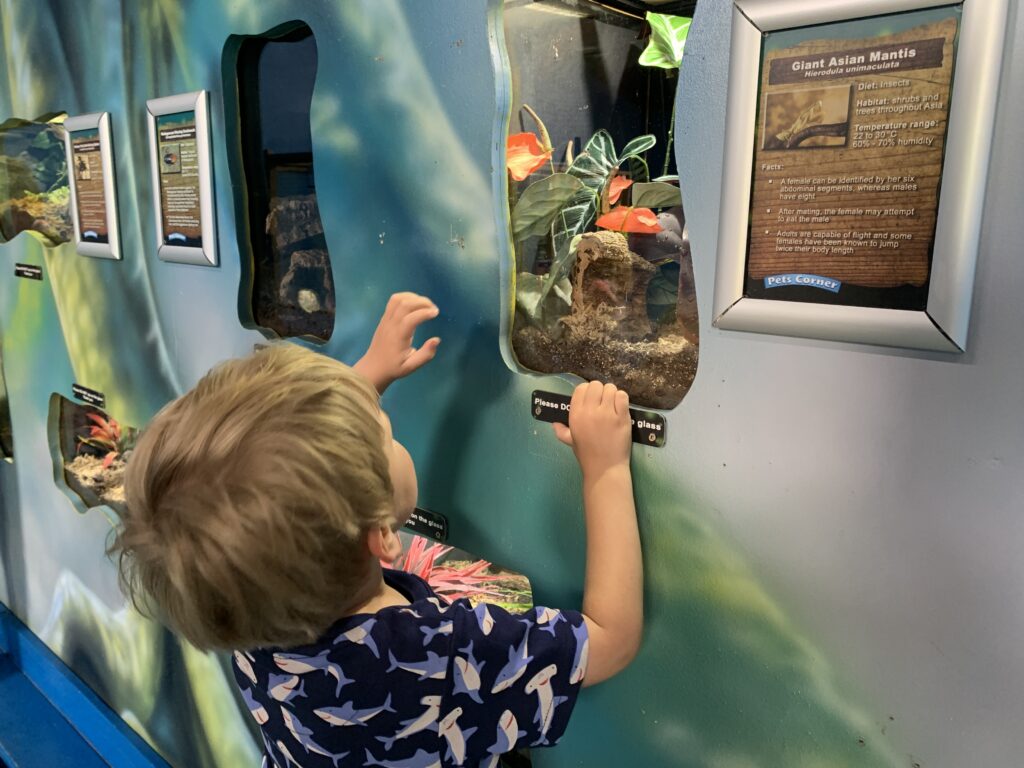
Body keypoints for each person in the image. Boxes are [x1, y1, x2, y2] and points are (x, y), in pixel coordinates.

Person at [109, 293, 642, 768]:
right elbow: (609, 640)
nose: (385, 425)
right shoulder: (435, 656)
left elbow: (299, 485)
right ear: (380, 535)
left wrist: (366, 375)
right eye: (385, 436)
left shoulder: (246, 606)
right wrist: (606, 471)